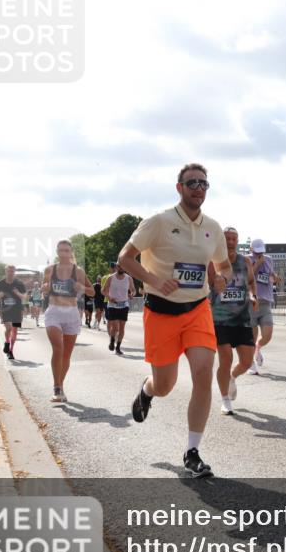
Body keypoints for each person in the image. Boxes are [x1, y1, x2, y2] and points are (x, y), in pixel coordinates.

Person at [117, 162, 230, 478]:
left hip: (197, 310)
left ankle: (192, 451)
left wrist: (222, 279)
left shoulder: (213, 228)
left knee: (204, 373)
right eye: (192, 182)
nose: (199, 188)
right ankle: (148, 391)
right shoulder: (159, 222)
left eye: (204, 183)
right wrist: (153, 279)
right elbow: (125, 259)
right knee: (165, 385)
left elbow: (223, 267)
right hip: (162, 313)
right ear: (179, 187)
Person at [208, 227, 257, 415]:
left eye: (233, 238)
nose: (230, 241)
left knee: (246, 362)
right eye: (227, 238)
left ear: (238, 241)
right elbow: (206, 284)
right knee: (225, 359)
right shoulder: (213, 261)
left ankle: (232, 378)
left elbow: (251, 282)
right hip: (220, 319)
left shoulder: (245, 261)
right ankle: (225, 400)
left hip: (242, 319)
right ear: (221, 240)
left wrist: (253, 296)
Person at [42, 241, 93, 400]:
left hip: (71, 313)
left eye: (66, 250)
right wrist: (44, 288)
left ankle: (60, 385)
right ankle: (56, 388)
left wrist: (82, 287)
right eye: (61, 250)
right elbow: (44, 288)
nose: (64, 253)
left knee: (66, 355)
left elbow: (92, 292)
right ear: (57, 252)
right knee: (58, 348)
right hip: (54, 312)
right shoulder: (50, 270)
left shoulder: (78, 271)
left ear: (71, 252)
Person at [247, 239, 281, 376]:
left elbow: (270, 276)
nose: (259, 254)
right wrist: (257, 264)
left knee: (267, 335)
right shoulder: (247, 259)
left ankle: (257, 349)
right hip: (252, 302)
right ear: (251, 250)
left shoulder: (269, 259)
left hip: (266, 301)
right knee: (252, 335)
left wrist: (275, 278)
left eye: (261, 252)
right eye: (257, 252)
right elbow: (247, 277)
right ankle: (251, 364)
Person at [0, 266, 27, 360]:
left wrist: (17, 293)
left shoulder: (19, 284)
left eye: (12, 271)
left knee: (15, 331)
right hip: (6, 310)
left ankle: (11, 351)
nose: (10, 273)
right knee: (8, 328)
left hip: (17, 310)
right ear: (5, 271)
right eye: (8, 271)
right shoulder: (0, 283)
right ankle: (7, 343)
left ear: (15, 272)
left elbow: (24, 297)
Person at [102, 264, 135, 355]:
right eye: (119, 267)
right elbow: (103, 290)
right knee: (115, 327)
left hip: (124, 305)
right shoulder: (111, 278)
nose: (121, 268)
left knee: (122, 327)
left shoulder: (129, 278)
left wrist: (132, 294)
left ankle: (118, 347)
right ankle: (112, 340)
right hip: (113, 305)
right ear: (116, 268)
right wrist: (109, 297)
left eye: (123, 267)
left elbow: (133, 289)